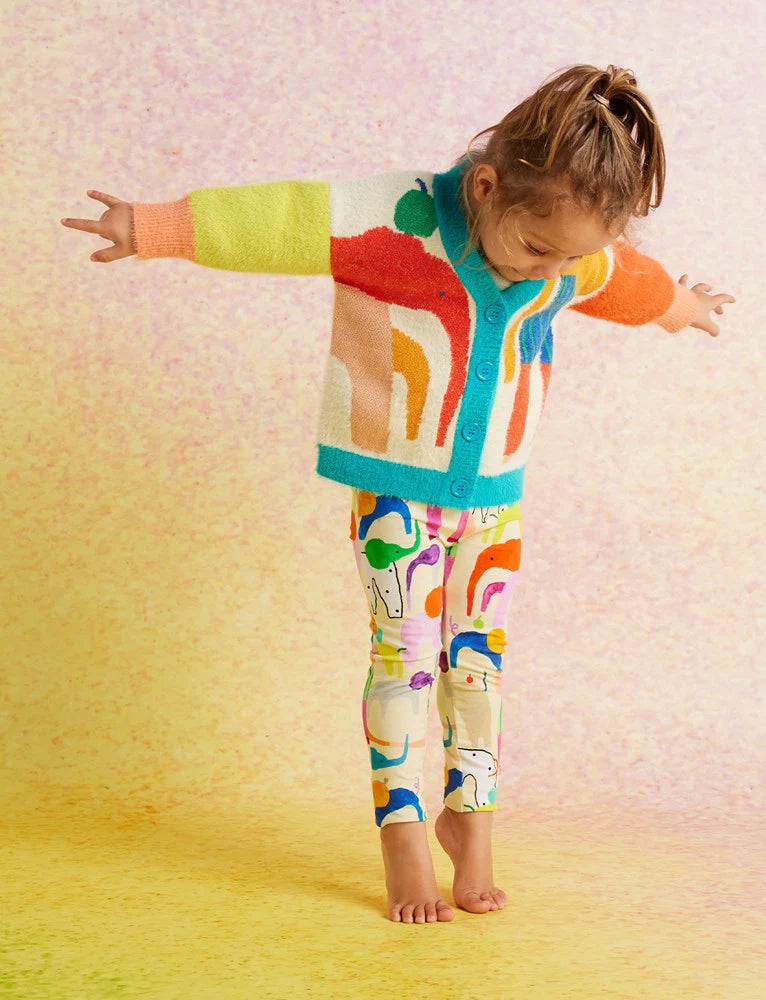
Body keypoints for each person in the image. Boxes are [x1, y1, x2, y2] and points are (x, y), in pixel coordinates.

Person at [60, 64, 735, 925]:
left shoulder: (569, 252)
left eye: (571, 258)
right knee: (406, 655)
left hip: (495, 497)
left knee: (479, 661)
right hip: (396, 497)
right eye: (538, 251)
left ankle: (472, 820)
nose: (554, 274)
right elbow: (284, 220)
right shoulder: (396, 217)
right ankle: (405, 835)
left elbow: (624, 281)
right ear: (486, 187)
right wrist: (153, 227)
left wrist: (679, 303)